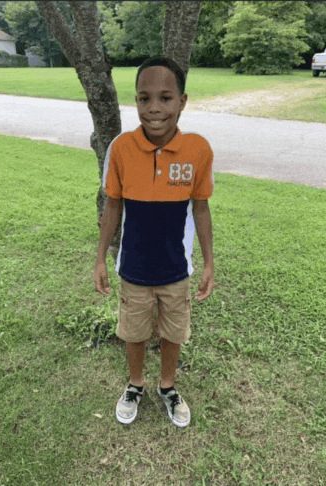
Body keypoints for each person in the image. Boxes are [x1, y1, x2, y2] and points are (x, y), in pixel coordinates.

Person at [94, 56, 214, 428]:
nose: (154, 108)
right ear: (136, 101)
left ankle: (167, 385)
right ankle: (135, 385)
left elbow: (202, 209)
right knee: (134, 332)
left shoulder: (198, 150)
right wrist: (100, 258)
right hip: (133, 268)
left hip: (176, 270)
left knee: (173, 332)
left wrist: (209, 263)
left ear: (182, 101)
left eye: (165, 97)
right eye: (144, 99)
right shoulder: (122, 148)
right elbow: (112, 205)